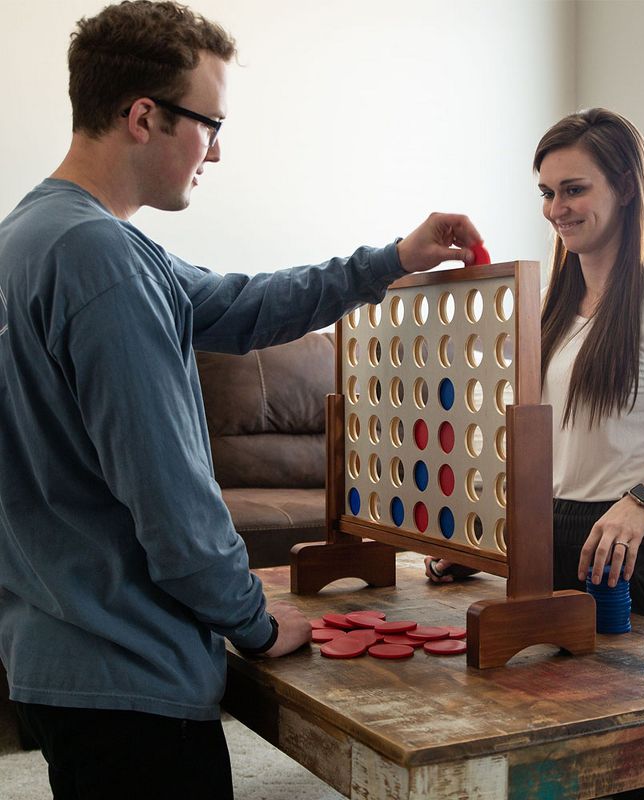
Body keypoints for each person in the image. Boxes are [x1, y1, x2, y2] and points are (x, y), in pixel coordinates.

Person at [0, 2, 484, 798]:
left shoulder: (42, 234)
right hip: (132, 677)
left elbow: (243, 304)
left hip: (56, 654)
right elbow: (172, 500)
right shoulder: (103, 263)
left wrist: (392, 259)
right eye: (210, 125)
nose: (216, 153)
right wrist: (255, 624)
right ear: (144, 117)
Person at [425, 109, 644, 799]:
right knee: (545, 774)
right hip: (546, 545)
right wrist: (485, 535)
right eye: (546, 192)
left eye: (574, 189)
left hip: (631, 555)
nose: (556, 208)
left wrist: (640, 501)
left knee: (636, 776)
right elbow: (541, 448)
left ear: (625, 186)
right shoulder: (551, 305)